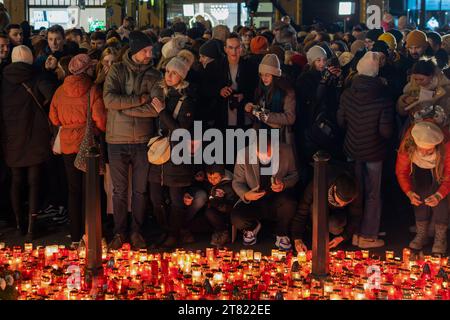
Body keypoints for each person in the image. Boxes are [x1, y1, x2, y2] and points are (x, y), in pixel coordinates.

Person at [103, 31, 164, 250]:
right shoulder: (117, 70)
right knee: (119, 191)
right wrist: (139, 100)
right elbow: (109, 99)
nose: (150, 54)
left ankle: (136, 231)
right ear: (135, 50)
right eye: (146, 50)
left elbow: (156, 108)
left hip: (142, 140)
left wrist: (125, 109)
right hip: (117, 140)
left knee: (140, 190)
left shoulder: (155, 75)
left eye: (150, 50)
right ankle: (120, 232)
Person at [337, 51, 394, 249]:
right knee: (372, 193)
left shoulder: (347, 93)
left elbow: (340, 122)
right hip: (374, 151)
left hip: (352, 148)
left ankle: (354, 232)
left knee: (355, 191)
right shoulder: (383, 97)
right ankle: (368, 235)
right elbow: (385, 131)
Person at [49, 54, 106, 248]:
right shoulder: (92, 90)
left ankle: (74, 237)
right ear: (86, 70)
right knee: (91, 190)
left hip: (67, 144)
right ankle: (90, 234)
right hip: (87, 145)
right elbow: (101, 120)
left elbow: (54, 119)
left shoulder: (59, 91)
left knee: (73, 190)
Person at [1, 45, 57, 239]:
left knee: (16, 181)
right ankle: (32, 228)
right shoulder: (36, 76)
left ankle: (18, 223)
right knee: (34, 181)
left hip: (11, 137)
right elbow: (52, 96)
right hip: (35, 135)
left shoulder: (3, 78)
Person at [141, 56, 195, 249]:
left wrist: (162, 112)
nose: (169, 75)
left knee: (175, 198)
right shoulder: (163, 95)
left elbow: (180, 130)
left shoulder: (186, 100)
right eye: (167, 72)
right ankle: (166, 230)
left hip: (177, 153)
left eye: (174, 73)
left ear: (182, 76)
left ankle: (174, 234)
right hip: (160, 152)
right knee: (155, 196)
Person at [231, 136, 299, 250]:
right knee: (237, 217)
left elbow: (295, 175)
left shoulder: (286, 150)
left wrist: (284, 184)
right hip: (254, 200)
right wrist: (246, 195)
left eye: (268, 152)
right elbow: (237, 182)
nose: (265, 156)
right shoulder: (244, 154)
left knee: (290, 203)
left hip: (277, 199)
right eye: (260, 153)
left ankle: (281, 233)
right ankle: (253, 227)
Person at [396, 121, 450, 256]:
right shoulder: (408, 144)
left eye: (429, 150)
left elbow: (449, 174)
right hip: (419, 169)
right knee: (418, 191)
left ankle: (440, 239)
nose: (425, 154)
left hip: (440, 168)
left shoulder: (446, 145)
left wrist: (439, 195)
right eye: (421, 150)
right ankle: (422, 234)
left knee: (441, 198)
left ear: (437, 146)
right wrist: (408, 192)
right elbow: (401, 171)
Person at [291, 169, 361, 252]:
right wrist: (297, 238)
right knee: (314, 208)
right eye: (341, 201)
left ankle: (332, 237)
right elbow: (302, 210)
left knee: (334, 225)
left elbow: (355, 216)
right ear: (334, 189)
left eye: (346, 203)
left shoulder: (354, 192)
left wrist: (342, 237)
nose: (342, 205)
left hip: (337, 217)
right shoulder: (318, 184)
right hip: (314, 215)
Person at [245, 54, 296, 145]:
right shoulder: (260, 89)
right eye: (261, 75)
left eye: (267, 75)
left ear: (275, 75)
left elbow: (290, 117)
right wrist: (250, 109)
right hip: (261, 135)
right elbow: (257, 115)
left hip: (280, 138)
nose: (264, 78)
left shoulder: (287, 91)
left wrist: (262, 114)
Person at [215, 33, 257, 130]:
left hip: (244, 113)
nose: (234, 51)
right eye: (230, 47)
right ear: (225, 49)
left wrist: (244, 95)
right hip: (223, 113)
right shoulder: (216, 66)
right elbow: (208, 88)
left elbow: (255, 88)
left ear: (241, 48)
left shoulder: (250, 66)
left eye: (237, 47)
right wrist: (220, 91)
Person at [397, 59, 450, 127]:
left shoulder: (446, 89)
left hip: (437, 129)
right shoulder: (411, 87)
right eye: (416, 79)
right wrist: (404, 101)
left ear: (431, 76)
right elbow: (401, 112)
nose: (418, 82)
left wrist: (442, 120)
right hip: (416, 126)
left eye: (421, 79)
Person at [204, 164, 239, 247]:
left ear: (222, 176)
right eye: (209, 178)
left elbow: (232, 204)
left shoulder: (229, 185)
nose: (212, 180)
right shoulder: (210, 182)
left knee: (210, 212)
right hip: (215, 207)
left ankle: (224, 232)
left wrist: (217, 204)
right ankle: (218, 231)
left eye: (215, 178)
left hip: (226, 211)